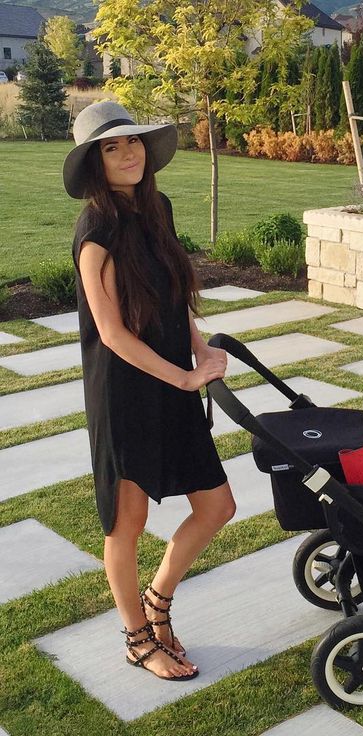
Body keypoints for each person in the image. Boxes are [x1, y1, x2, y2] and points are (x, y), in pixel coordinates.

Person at [64, 101, 236, 681]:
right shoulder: (96, 230)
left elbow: (169, 291)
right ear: (95, 163)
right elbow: (110, 331)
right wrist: (185, 376)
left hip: (171, 377)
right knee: (126, 523)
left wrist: (199, 347)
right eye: (111, 148)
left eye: (132, 142)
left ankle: (157, 603)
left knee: (217, 505)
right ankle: (138, 640)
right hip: (125, 393)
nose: (127, 153)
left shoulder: (156, 207)